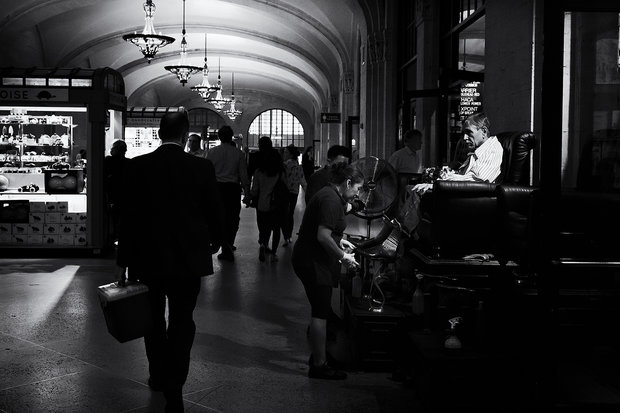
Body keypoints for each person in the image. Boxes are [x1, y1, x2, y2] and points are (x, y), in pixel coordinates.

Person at [115, 111, 223, 413]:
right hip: (187, 259)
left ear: (160, 133)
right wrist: (214, 241)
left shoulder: (138, 166)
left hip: (146, 258)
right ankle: (175, 387)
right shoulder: (201, 167)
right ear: (184, 134)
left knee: (152, 320)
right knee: (182, 321)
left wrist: (122, 259)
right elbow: (214, 211)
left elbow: (128, 217)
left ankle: (158, 374)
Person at [293, 162, 362, 380]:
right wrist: (343, 258)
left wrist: (340, 242)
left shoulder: (328, 194)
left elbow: (325, 231)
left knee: (320, 310)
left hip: (310, 258)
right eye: (357, 188)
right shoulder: (331, 200)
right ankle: (319, 365)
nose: (357, 194)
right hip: (312, 261)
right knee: (320, 313)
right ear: (347, 182)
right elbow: (322, 236)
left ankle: (320, 356)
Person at [207, 125, 251, 261]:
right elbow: (244, 176)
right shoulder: (238, 153)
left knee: (217, 217)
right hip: (232, 189)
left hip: (216, 188)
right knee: (232, 218)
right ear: (231, 137)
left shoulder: (211, 152)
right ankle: (228, 244)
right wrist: (247, 195)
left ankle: (219, 242)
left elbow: (207, 174)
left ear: (219, 137)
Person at [249, 147, 288, 262]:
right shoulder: (280, 171)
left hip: (262, 204)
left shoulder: (258, 172)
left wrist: (249, 197)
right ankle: (274, 253)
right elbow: (285, 187)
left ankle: (263, 244)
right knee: (276, 229)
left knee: (264, 227)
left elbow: (255, 190)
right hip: (275, 205)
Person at [103, 139, 129, 245]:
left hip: (110, 196)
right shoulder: (129, 163)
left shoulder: (107, 161)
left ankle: (111, 239)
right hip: (125, 196)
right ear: (125, 150)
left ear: (113, 149)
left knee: (111, 220)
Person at [281, 144, 307, 246]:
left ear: (290, 154)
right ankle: (289, 236)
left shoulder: (284, 165)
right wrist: (307, 192)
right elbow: (303, 180)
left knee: (284, 214)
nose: (284, 154)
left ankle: (286, 236)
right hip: (294, 193)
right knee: (290, 214)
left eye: (286, 152)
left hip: (284, 192)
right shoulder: (298, 166)